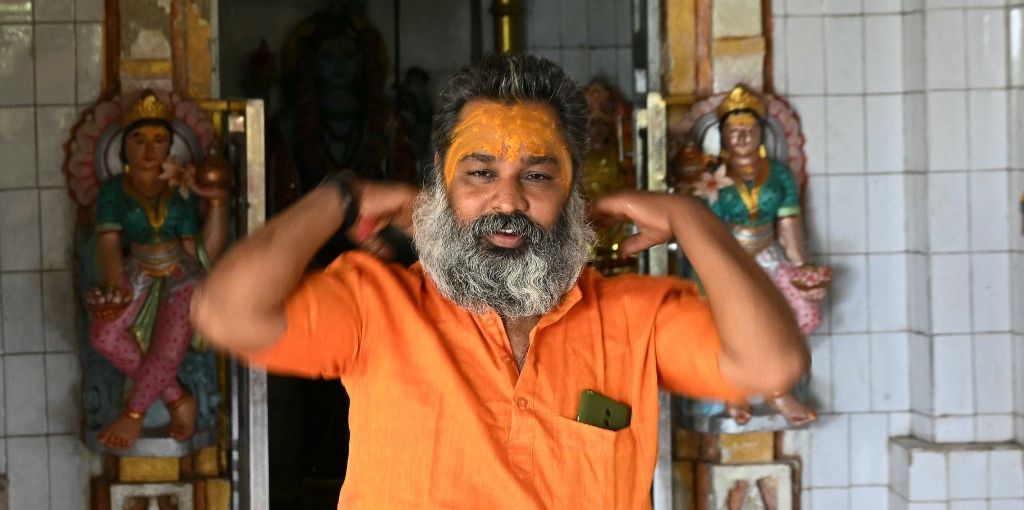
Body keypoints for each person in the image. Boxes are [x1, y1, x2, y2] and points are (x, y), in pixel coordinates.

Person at [191, 54, 807, 508]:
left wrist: (689, 217)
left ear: (573, 193)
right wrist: (341, 197)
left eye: (538, 176)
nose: (506, 201)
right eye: (479, 173)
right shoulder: (376, 303)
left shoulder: (637, 315)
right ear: (440, 184)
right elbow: (227, 313)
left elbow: (771, 365)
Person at [87, 91, 230, 449]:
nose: (150, 149)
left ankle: (133, 415)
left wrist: (214, 201)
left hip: (181, 272)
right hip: (137, 267)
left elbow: (198, 252)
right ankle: (178, 398)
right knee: (103, 335)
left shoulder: (178, 189)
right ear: (122, 147)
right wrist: (115, 285)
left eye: (159, 140)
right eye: (139, 140)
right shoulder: (113, 191)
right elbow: (107, 242)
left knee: (168, 349)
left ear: (170, 147)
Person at [692, 85, 831, 426]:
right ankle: (732, 391)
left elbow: (789, 223)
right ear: (722, 135)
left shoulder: (779, 175)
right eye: (734, 131)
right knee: (723, 325)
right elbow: (703, 229)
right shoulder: (713, 178)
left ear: (761, 134)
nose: (742, 137)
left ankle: (777, 391)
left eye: (749, 130)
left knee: (793, 316)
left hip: (769, 253)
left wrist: (801, 268)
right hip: (728, 258)